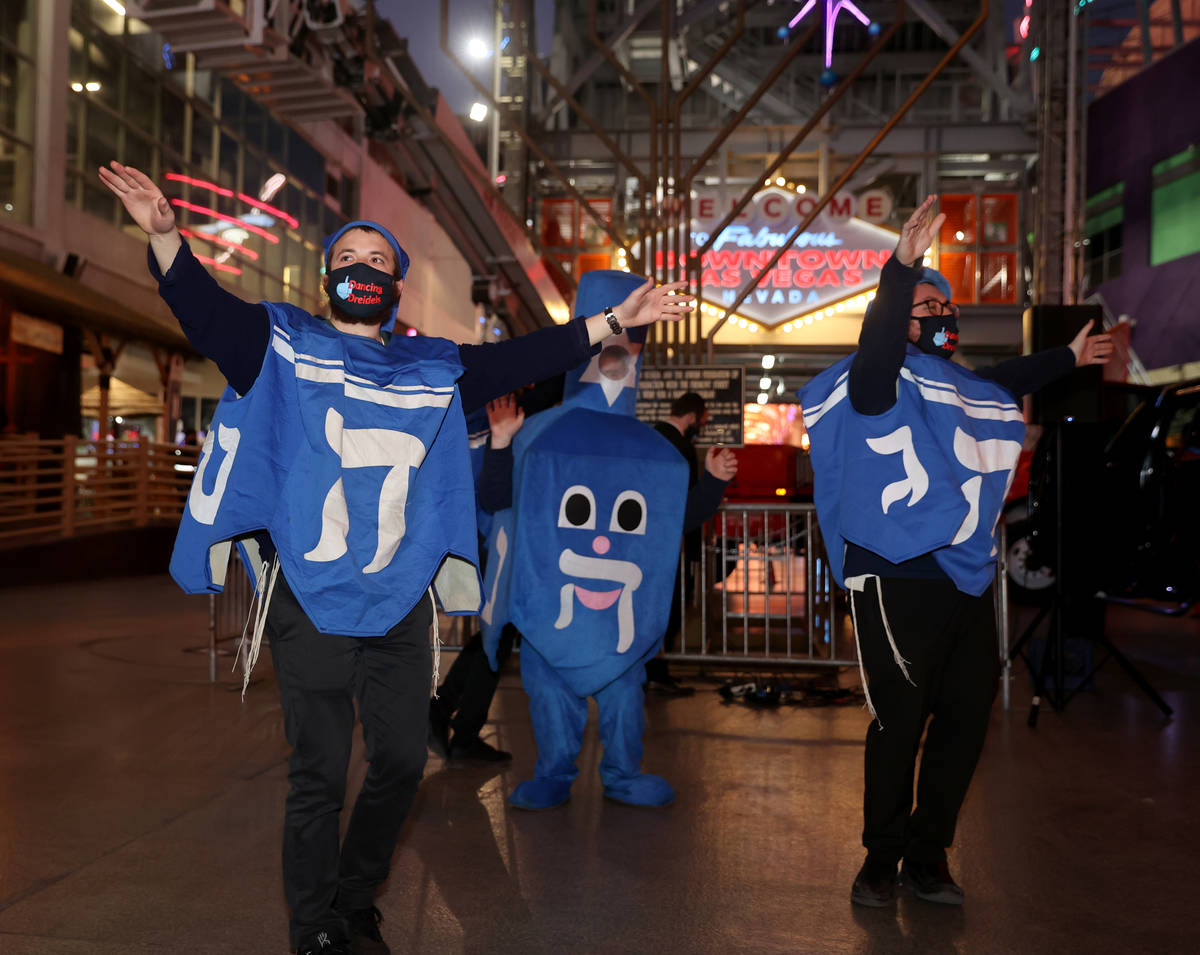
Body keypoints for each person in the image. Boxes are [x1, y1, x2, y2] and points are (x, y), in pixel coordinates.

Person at [97, 161, 694, 955]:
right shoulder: (281, 343)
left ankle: (354, 896)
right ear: (329, 275)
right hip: (308, 591)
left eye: (381, 261)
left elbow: (521, 358)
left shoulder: (432, 366)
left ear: (397, 286)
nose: (365, 268)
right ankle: (313, 926)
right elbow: (205, 314)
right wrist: (166, 236)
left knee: (403, 760)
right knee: (317, 768)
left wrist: (612, 321)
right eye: (353, 257)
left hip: (399, 594)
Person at [799, 195, 1112, 909]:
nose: (943, 315)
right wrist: (900, 266)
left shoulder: (958, 387)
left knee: (968, 715)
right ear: (900, 314)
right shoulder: (875, 381)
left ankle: (927, 855)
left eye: (947, 306)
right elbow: (880, 348)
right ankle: (879, 861)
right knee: (899, 721)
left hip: (962, 577)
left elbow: (1004, 383)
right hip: (892, 569)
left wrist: (1069, 356)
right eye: (927, 306)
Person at [428, 394, 526, 764]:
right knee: (496, 637)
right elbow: (493, 498)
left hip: (479, 547)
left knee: (494, 637)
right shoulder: (484, 437)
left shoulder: (457, 435)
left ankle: (451, 717)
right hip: (488, 548)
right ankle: (456, 724)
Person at [644, 391, 727, 695]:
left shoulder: (651, 437)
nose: (701, 427)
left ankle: (651, 672)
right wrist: (693, 550)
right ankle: (657, 673)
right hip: (670, 543)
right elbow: (688, 502)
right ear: (692, 416)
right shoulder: (681, 447)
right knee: (670, 609)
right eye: (701, 421)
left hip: (648, 540)